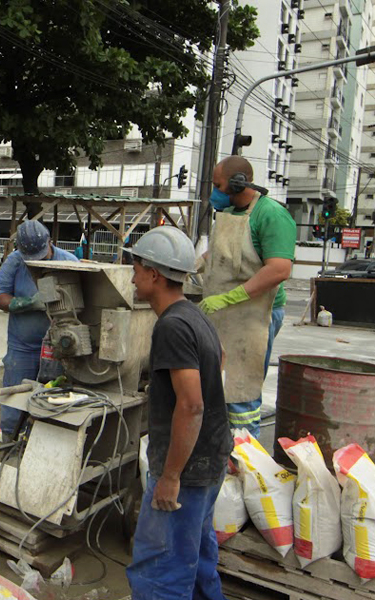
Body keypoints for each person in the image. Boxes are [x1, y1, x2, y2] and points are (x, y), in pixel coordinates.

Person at [125, 226, 232, 600]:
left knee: (161, 568)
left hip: (186, 469)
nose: (133, 277)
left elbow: (192, 404)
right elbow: (219, 362)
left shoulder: (171, 326)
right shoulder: (195, 314)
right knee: (198, 555)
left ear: (154, 274)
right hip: (210, 458)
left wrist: (171, 475)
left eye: (136, 268)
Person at [199, 155, 296, 437]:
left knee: (242, 386)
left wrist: (229, 298)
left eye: (218, 185)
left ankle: (244, 455)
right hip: (225, 314)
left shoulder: (271, 215)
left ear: (239, 184)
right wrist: (191, 267)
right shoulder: (231, 213)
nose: (214, 192)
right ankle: (221, 452)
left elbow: (279, 269)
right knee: (221, 385)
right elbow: (219, 254)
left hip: (255, 315)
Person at [0, 220, 79, 440]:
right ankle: (10, 444)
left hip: (59, 348)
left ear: (51, 241)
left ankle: (43, 445)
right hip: (23, 347)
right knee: (13, 402)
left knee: (54, 402)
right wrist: (28, 303)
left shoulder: (70, 262)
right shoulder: (15, 261)